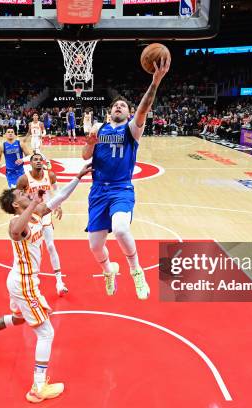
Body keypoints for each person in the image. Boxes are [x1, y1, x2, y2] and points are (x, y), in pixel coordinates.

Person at [0, 163, 93, 404]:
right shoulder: (15, 223)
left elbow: (60, 196)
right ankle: (38, 387)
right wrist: (33, 203)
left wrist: (78, 177)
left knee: (22, 318)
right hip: (24, 283)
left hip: (19, 280)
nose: (27, 191)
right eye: (22, 194)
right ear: (15, 204)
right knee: (46, 332)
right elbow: (16, 230)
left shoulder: (36, 212)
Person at [82, 56, 170, 300]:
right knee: (95, 246)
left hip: (121, 189)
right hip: (98, 191)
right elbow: (84, 156)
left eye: (123, 106)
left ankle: (136, 270)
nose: (119, 107)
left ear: (130, 113)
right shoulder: (98, 129)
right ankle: (109, 271)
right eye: (116, 106)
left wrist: (156, 81)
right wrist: (89, 144)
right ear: (110, 112)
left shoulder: (132, 129)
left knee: (121, 229)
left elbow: (144, 107)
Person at [16, 153, 68, 296]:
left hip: (45, 214)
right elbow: (17, 197)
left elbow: (57, 191)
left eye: (40, 160)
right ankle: (30, 279)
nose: (38, 161)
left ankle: (59, 281)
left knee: (50, 245)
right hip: (31, 216)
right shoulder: (24, 179)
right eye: (35, 160)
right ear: (30, 163)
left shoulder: (50, 175)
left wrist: (58, 205)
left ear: (43, 162)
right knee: (34, 248)